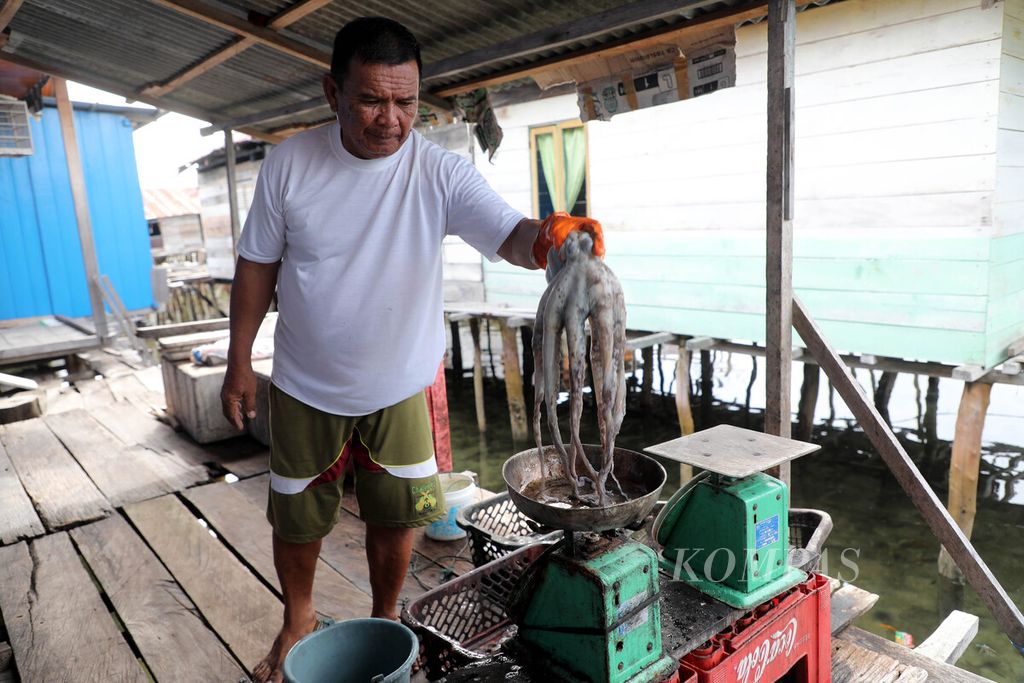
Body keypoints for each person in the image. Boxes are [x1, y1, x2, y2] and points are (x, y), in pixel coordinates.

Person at [220, 16, 603, 683]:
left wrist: (550, 239)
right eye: (371, 99)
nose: (391, 118)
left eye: (406, 101)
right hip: (306, 382)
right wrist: (237, 360)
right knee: (298, 517)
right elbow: (256, 265)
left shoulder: (438, 172)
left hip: (400, 383)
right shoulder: (289, 165)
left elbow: (509, 234)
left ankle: (387, 614)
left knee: (397, 515)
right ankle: (298, 617)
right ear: (331, 93)